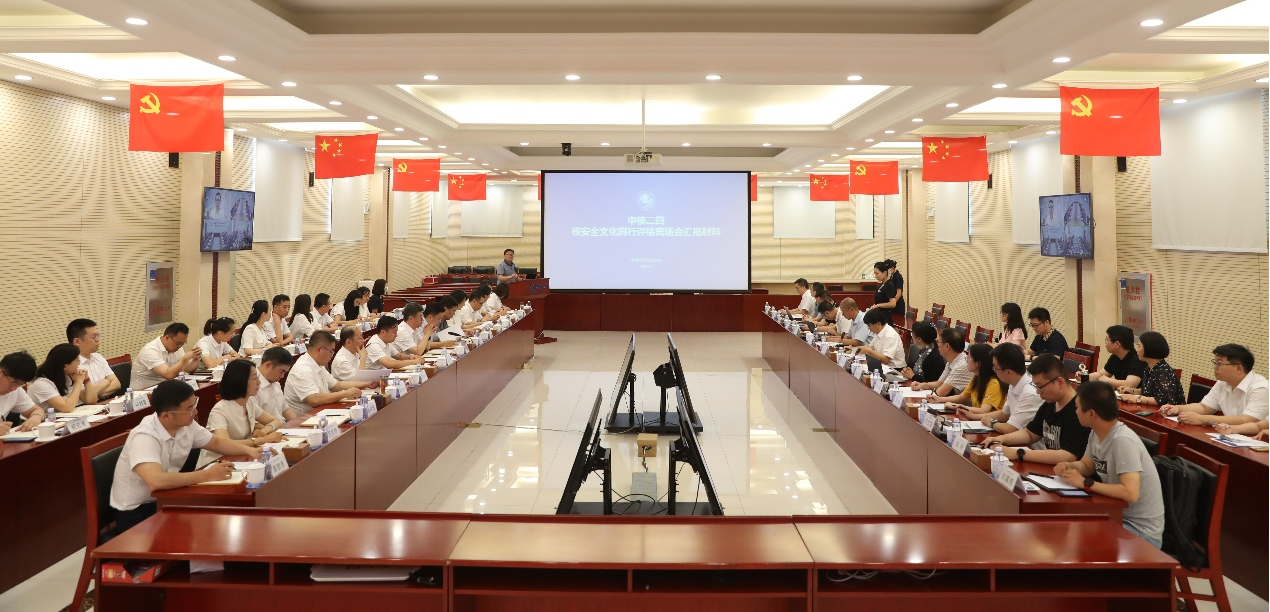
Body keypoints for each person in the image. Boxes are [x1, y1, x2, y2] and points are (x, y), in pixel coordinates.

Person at [109, 380, 260, 531]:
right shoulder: (144, 436)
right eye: (189, 409)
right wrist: (207, 475)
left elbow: (216, 442)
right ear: (167, 416)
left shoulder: (185, 424)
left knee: (221, 517)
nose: (196, 412)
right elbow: (156, 481)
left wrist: (250, 450)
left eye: (195, 404)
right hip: (137, 512)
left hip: (167, 497)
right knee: (210, 525)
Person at [1055, 381, 1165, 548]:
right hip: (1116, 515)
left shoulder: (1122, 441)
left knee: (1074, 540)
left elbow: (1130, 493)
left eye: (1077, 407)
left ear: (1091, 413)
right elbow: (1087, 466)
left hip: (1141, 531)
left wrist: (1086, 483)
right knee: (1066, 529)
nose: (1075, 411)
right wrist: (1070, 467)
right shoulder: (1096, 432)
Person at [983, 354, 1090, 465]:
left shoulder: (1079, 410)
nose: (1038, 392)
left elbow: (1067, 455)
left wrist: (1018, 453)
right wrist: (1001, 439)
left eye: (1040, 386)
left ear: (1060, 382)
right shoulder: (1050, 403)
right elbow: (1030, 433)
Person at [199, 360, 285, 464]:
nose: (259, 382)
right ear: (240, 381)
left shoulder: (248, 403)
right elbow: (225, 444)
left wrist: (264, 432)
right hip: (217, 462)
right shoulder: (220, 410)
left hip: (241, 457)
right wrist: (260, 440)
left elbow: (275, 421)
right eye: (254, 378)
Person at [1162, 344, 1267, 425]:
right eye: (1215, 363)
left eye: (1219, 363)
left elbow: (1248, 420)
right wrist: (1177, 408)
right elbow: (1204, 407)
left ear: (1239, 368)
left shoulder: (1261, 388)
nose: (1215, 367)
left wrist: (1202, 419)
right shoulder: (1223, 382)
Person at [282, 331, 374, 414]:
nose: (332, 355)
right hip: (305, 419)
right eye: (331, 351)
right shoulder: (302, 369)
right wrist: (345, 394)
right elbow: (313, 399)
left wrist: (364, 384)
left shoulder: (318, 364)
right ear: (319, 349)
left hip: (321, 412)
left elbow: (336, 385)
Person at [975, 342, 1044, 435]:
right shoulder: (1014, 382)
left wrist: (991, 422)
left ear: (1008, 372)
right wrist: (973, 416)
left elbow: (1011, 429)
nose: (994, 371)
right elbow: (1004, 415)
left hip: (1028, 443)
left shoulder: (1030, 394)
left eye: (995, 368)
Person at [1117, 332, 1184, 407]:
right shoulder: (1149, 367)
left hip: (1170, 412)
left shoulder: (1163, 371)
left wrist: (1138, 399)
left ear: (1148, 348)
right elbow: (1147, 391)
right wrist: (1131, 391)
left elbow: (1163, 400)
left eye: (1139, 346)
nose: (1136, 350)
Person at [132, 323, 201, 389]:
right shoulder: (150, 351)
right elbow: (168, 375)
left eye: (183, 343)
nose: (180, 346)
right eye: (178, 343)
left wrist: (195, 359)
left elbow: (187, 369)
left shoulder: (177, 347)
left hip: (165, 388)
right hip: (144, 392)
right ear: (167, 337)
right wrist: (185, 358)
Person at [67, 318, 121, 403]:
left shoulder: (98, 357)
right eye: (93, 337)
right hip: (83, 408)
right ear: (77, 341)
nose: (97, 339)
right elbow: (86, 398)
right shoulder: (71, 365)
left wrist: (93, 394)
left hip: (106, 402)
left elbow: (116, 384)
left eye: (98, 335)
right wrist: (106, 381)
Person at [939, 343, 1004, 413]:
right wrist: (938, 399)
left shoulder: (994, 384)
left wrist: (956, 407)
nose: (966, 361)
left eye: (969, 357)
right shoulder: (976, 377)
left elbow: (983, 411)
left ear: (978, 363)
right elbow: (961, 397)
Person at [27, 344, 87, 414]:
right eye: (77, 360)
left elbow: (89, 400)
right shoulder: (41, 383)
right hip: (40, 419)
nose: (79, 364)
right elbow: (67, 408)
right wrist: (78, 382)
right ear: (64, 366)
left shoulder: (67, 376)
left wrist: (87, 380)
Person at [913, 328, 971, 396]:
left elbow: (941, 392)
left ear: (947, 346)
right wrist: (921, 385)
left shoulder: (961, 365)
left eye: (938, 342)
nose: (937, 345)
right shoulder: (952, 359)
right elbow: (939, 383)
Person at [0, 352, 42, 434]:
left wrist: (36, 417)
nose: (14, 388)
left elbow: (37, 410)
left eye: (20, 384)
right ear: (1, 373)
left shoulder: (17, 390)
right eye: (14, 382)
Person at [251, 347, 295, 423]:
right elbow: (254, 424)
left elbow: (286, 410)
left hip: (281, 426)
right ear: (268, 365)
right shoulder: (252, 387)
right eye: (281, 372)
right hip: (269, 429)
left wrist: (298, 424)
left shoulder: (276, 382)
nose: (282, 376)